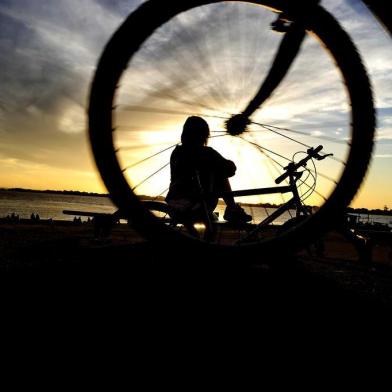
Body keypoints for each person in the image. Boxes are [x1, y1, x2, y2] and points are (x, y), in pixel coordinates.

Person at [166, 116, 252, 224]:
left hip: (173, 207)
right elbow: (231, 169)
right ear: (204, 135)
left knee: (215, 170)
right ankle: (232, 209)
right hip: (197, 207)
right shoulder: (207, 153)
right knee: (220, 173)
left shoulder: (176, 152)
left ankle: (231, 210)